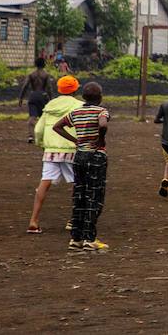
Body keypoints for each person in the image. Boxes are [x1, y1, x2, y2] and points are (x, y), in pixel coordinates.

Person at [52, 81, 109, 251]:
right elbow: (103, 124)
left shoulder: (75, 112)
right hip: (96, 157)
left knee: (80, 195)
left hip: (79, 157)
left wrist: (75, 140)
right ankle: (89, 239)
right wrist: (101, 139)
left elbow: (57, 126)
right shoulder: (101, 111)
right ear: (100, 97)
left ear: (83, 97)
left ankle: (76, 238)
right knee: (94, 197)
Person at [26, 74, 82, 235]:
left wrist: (42, 145)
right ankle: (74, 219)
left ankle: (33, 221)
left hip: (51, 151)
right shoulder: (79, 105)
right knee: (77, 184)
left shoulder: (50, 105)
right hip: (72, 149)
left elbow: (38, 129)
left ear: (59, 89)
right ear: (75, 89)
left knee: (44, 182)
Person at [18, 57, 53, 144]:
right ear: (44, 64)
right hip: (42, 95)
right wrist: (51, 98)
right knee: (43, 117)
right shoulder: (46, 75)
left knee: (32, 117)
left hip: (33, 95)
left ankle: (30, 136)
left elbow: (25, 86)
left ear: (35, 64)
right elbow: (49, 87)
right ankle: (43, 136)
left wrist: (21, 98)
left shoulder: (31, 74)